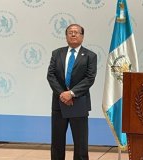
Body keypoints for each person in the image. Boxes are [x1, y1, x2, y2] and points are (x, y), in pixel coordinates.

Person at [47, 24, 97, 160]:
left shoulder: (90, 56)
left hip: (79, 102)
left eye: (76, 32)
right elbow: (50, 75)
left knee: (80, 144)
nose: (73, 34)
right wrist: (62, 94)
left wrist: (72, 93)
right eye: (70, 32)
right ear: (66, 36)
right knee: (57, 142)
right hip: (59, 103)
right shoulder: (57, 53)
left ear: (82, 36)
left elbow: (89, 78)